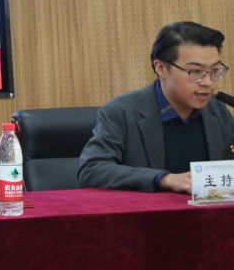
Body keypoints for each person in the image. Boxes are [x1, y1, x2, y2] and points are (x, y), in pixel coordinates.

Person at [78, 21, 234, 193]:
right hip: (148, 211)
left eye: (215, 71)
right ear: (161, 68)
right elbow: (91, 169)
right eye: (196, 72)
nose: (208, 82)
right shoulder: (121, 112)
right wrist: (164, 179)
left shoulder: (217, 110)